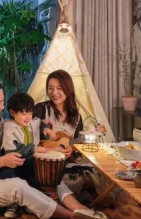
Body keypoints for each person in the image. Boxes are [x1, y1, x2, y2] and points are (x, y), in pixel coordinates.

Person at [0, 77, 117, 219]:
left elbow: (17, 126)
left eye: (2, 102)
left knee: (43, 170)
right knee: (18, 186)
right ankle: (73, 216)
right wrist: (2, 161)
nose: (2, 107)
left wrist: (44, 127)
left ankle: (80, 208)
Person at [34, 69, 116, 207]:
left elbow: (74, 143)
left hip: (67, 162)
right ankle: (81, 198)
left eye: (59, 88)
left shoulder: (76, 116)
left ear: (68, 89)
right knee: (61, 181)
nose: (54, 92)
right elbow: (31, 141)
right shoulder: (41, 109)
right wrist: (53, 149)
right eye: (50, 88)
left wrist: (77, 144)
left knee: (102, 171)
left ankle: (89, 198)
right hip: (46, 164)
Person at [0, 92, 48, 218]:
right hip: (14, 164)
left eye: (30, 113)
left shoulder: (30, 123)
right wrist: (34, 149)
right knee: (8, 172)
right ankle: (12, 204)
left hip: (27, 162)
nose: (28, 117)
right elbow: (14, 150)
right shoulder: (10, 128)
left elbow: (38, 124)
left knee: (35, 169)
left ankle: (33, 200)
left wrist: (46, 128)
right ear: (13, 113)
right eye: (24, 114)